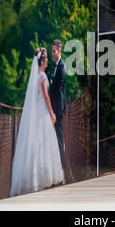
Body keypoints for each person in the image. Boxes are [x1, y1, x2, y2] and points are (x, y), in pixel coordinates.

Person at [10, 48, 63, 196]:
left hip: (37, 112)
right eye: (46, 60)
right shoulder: (43, 76)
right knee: (45, 143)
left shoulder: (35, 77)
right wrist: (52, 113)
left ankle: (34, 178)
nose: (47, 62)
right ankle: (43, 177)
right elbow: (46, 97)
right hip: (43, 113)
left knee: (36, 143)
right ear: (43, 61)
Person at [49, 39, 67, 171]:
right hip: (56, 106)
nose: (52, 53)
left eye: (54, 51)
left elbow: (58, 88)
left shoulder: (61, 66)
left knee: (59, 138)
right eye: (52, 50)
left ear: (59, 51)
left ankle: (61, 167)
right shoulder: (57, 65)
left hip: (58, 107)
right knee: (55, 136)